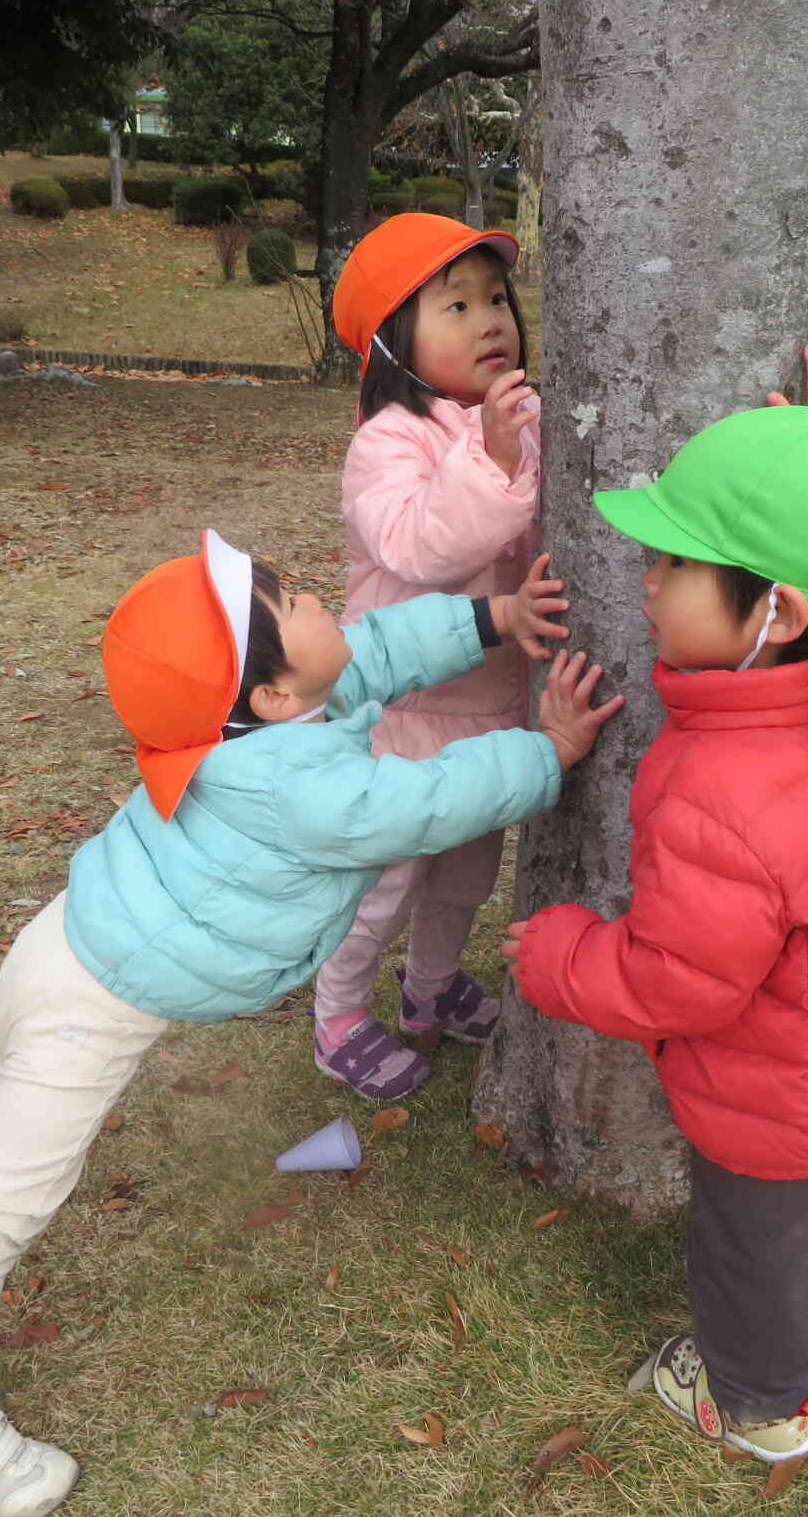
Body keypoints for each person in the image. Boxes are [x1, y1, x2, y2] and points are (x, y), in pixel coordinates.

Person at [0, 529, 622, 1516]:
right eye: (294, 601)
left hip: (58, 945)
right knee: (3, 1214)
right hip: (91, 1005)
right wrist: (548, 753)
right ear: (271, 694)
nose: (319, 599)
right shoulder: (301, 787)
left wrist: (492, 617)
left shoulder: (258, 726)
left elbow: (376, 651)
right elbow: (430, 799)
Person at [502, 407, 808, 1468]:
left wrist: (557, 956)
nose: (645, 578)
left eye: (676, 561)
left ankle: (759, 1402)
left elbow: (679, 981)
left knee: (747, 1258)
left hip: (775, 1102)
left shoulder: (719, 793)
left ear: (778, 610)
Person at [308, 212, 546, 1099]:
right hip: (403, 713)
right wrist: (490, 455)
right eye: (455, 305)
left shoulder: (521, 415)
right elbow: (420, 548)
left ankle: (432, 986)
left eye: (496, 298)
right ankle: (337, 1014)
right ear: (394, 344)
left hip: (492, 700)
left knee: (467, 869)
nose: (489, 320)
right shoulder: (387, 443)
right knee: (385, 879)